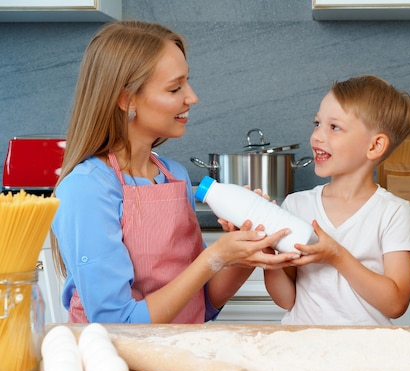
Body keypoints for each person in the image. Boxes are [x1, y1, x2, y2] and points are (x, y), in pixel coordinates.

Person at [51, 21, 299, 324]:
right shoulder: (87, 188)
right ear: (126, 99)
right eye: (175, 87)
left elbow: (201, 303)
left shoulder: (173, 175)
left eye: (187, 82)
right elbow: (116, 324)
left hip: (180, 352)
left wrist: (245, 252)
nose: (192, 97)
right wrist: (213, 257)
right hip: (114, 362)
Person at [264, 75, 410, 325]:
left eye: (334, 127)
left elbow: (396, 304)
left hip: (365, 355)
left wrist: (336, 256)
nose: (317, 136)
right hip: (302, 349)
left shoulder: (393, 212)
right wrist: (268, 255)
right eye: (317, 123)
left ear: (375, 145)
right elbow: (286, 300)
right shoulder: (296, 206)